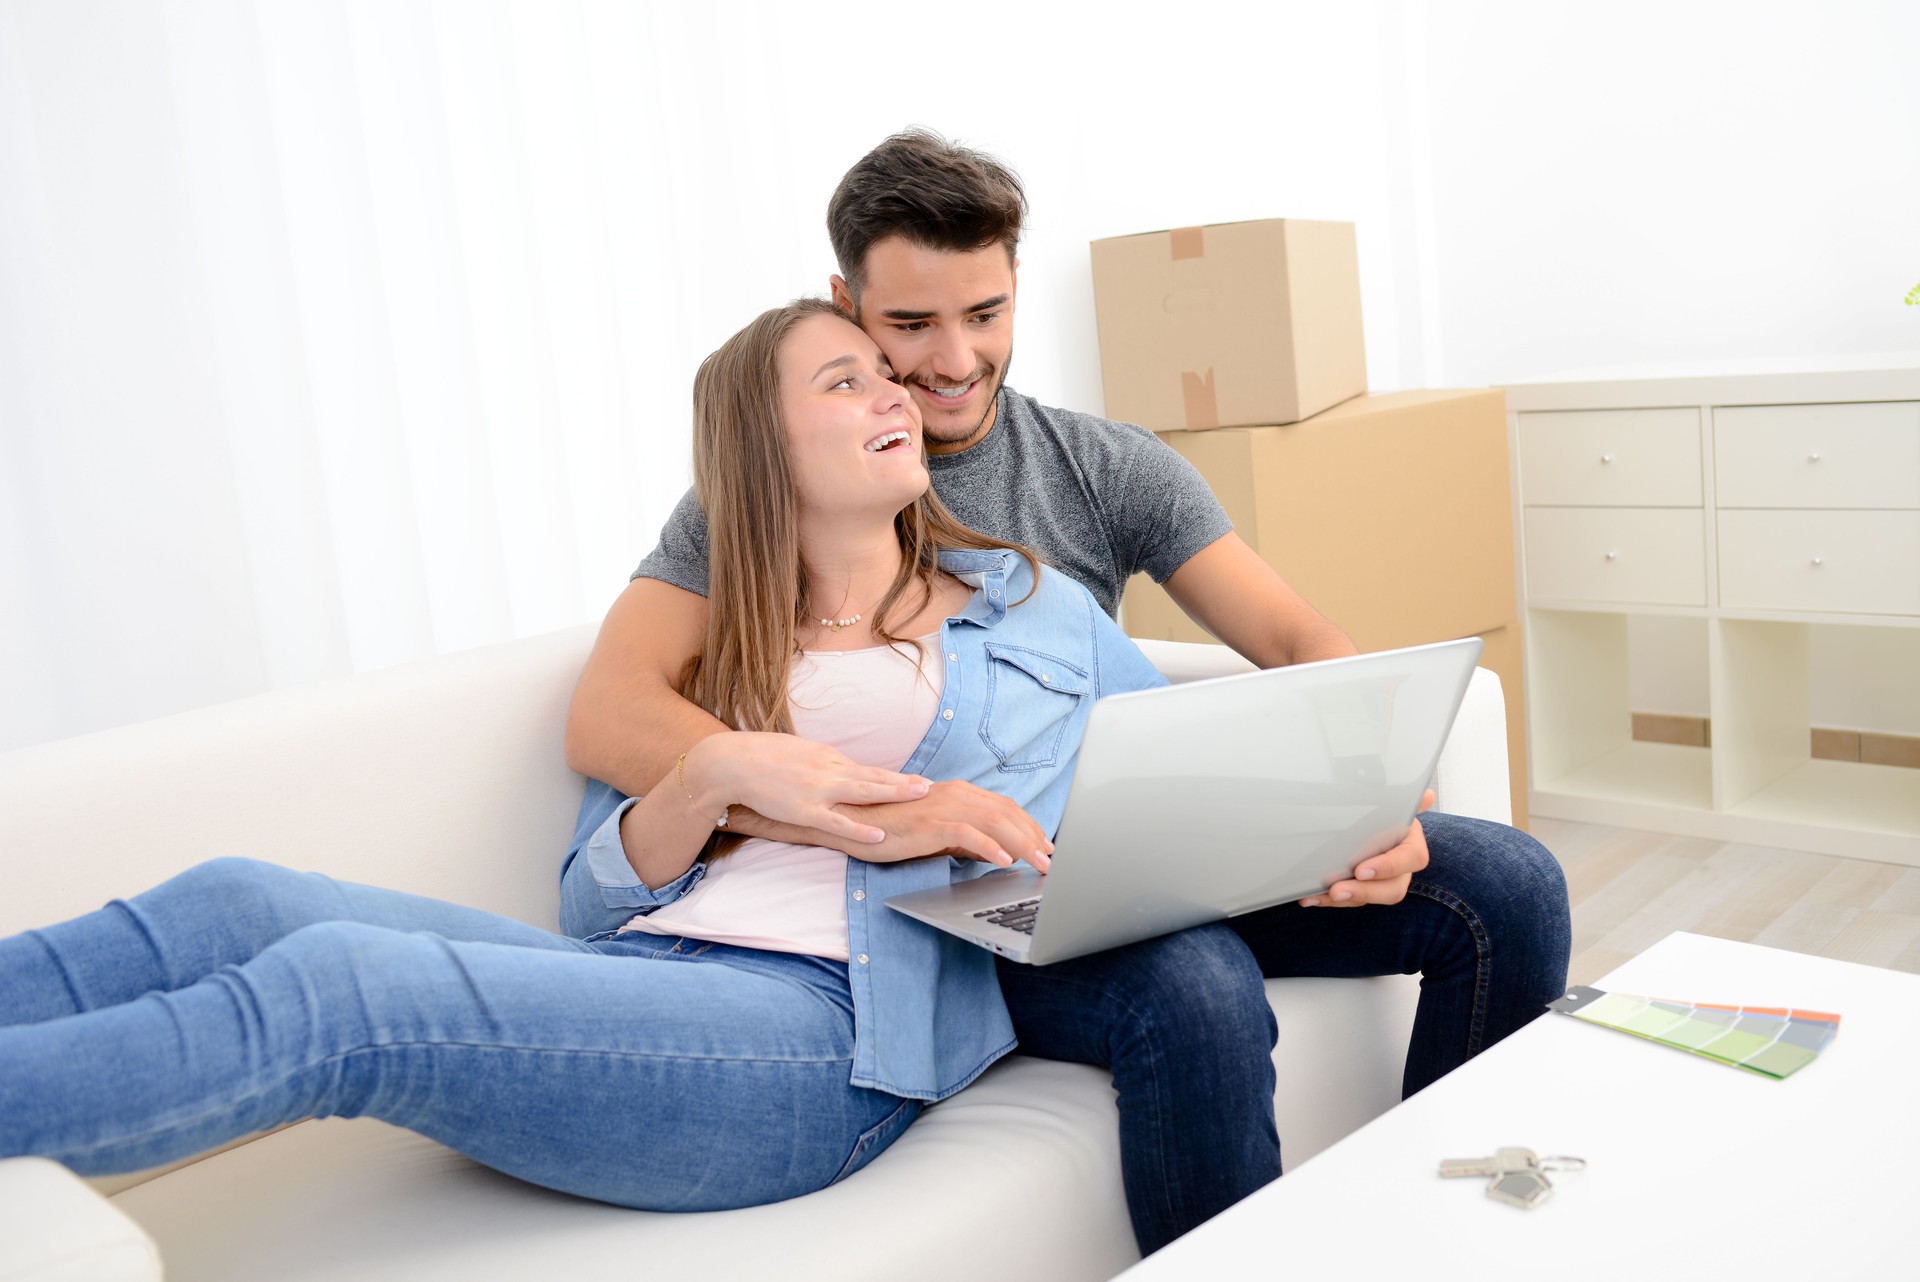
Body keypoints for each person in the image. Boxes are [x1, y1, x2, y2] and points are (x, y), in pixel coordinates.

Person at [561, 129, 1573, 1253]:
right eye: (907, 327)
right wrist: (833, 810)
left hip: (1133, 846)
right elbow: (614, 711)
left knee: (1511, 885)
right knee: (1193, 983)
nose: (951, 360)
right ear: (845, 301)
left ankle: (1462, 1237)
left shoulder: (1100, 465)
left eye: (984, 314)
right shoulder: (782, 485)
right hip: (973, 900)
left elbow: (1289, 632)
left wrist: (1378, 786)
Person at [0, 299, 1163, 1209]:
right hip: (654, 970)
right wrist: (716, 772)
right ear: (763, 446)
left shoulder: (1030, 609)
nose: (897, 389)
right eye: (844, 377)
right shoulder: (725, 646)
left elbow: (1192, 768)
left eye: (885, 373)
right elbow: (588, 907)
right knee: (239, 899)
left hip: (825, 1030)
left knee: (343, 988)